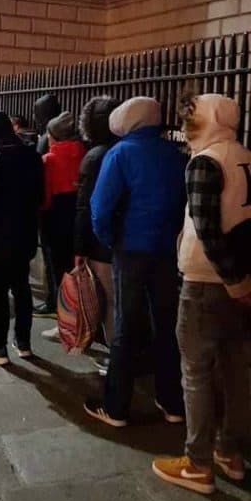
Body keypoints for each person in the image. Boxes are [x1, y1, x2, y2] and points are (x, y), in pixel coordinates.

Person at [153, 94, 251, 494]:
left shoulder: (205, 162)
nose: (186, 127)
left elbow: (208, 230)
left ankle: (197, 463)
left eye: (191, 120)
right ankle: (230, 451)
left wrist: (234, 282)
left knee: (196, 373)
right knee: (236, 370)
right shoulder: (243, 155)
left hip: (207, 280)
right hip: (239, 280)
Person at [85, 96, 186, 427]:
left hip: (130, 249)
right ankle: (171, 401)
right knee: (166, 324)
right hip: (166, 250)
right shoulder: (174, 154)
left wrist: (110, 239)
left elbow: (100, 207)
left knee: (126, 326)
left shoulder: (121, 153)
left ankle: (116, 406)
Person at [0, 111, 44, 364]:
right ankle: (23, 342)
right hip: (24, 233)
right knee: (22, 288)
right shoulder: (32, 155)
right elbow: (39, 195)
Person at [73, 96, 121, 353]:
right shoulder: (122, 151)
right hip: (126, 238)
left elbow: (86, 208)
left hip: (101, 241)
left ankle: (115, 356)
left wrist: (80, 248)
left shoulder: (94, 157)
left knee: (107, 300)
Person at [33, 112, 86, 318]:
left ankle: (57, 304)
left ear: (53, 135)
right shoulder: (83, 154)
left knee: (54, 263)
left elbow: (44, 197)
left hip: (54, 215)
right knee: (72, 263)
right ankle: (74, 305)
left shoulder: (49, 160)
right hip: (77, 214)